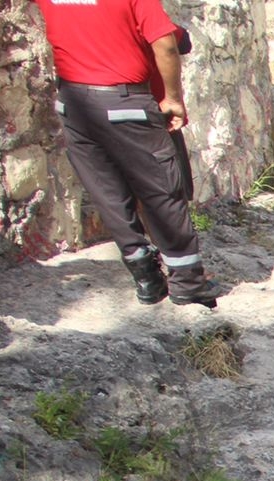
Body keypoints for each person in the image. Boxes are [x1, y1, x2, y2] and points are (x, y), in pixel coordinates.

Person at [31, 0, 222, 308]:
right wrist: (174, 98)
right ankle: (187, 282)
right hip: (126, 102)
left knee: (108, 193)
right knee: (161, 191)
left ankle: (147, 279)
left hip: (74, 105)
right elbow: (167, 43)